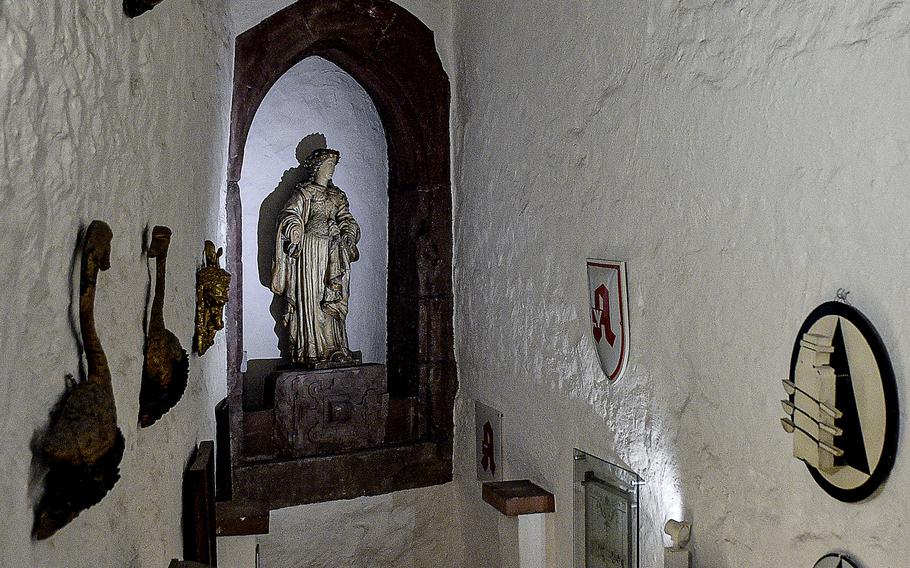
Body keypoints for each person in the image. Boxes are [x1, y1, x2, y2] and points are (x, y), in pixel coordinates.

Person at [271, 148, 361, 365]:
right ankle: (311, 349)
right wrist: (294, 228)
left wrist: (348, 233)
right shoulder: (305, 193)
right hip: (311, 253)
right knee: (312, 300)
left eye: (333, 166)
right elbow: (289, 214)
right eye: (329, 165)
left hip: (333, 251)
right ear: (318, 167)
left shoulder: (337, 195)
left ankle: (334, 348)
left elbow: (346, 219)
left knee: (332, 301)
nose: (331, 170)